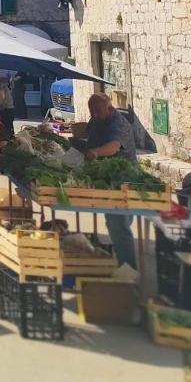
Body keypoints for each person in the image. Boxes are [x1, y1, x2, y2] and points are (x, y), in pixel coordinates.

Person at [84, 92, 139, 268]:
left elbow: (114, 147)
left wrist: (96, 152)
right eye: (91, 111)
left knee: (118, 224)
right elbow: (89, 134)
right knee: (115, 222)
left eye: (98, 111)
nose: (94, 115)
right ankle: (121, 263)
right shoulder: (96, 120)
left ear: (110, 108)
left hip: (124, 179)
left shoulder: (119, 123)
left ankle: (129, 270)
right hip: (106, 177)